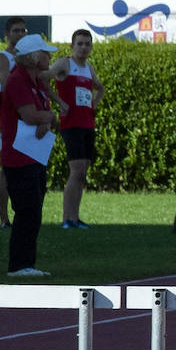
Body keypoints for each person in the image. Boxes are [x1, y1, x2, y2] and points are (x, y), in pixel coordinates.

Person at [0, 33, 59, 278]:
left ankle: (27, 264)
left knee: (34, 209)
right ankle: (19, 265)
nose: (49, 56)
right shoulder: (17, 81)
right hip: (20, 156)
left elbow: (41, 114)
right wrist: (50, 118)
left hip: (34, 154)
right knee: (27, 210)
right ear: (34, 57)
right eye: (45, 52)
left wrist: (47, 119)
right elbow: (31, 115)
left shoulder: (33, 81)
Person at [48, 28, 104, 229]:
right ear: (72, 46)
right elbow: (44, 79)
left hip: (87, 124)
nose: (83, 47)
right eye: (79, 43)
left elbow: (100, 88)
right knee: (77, 170)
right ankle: (66, 219)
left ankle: (75, 217)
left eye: (87, 44)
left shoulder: (89, 69)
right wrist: (59, 102)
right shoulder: (65, 63)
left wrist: (92, 105)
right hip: (71, 124)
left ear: (91, 47)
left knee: (82, 173)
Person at [0, 17, 29, 228]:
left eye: (23, 30)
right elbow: (8, 85)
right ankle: (4, 219)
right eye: (16, 31)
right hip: (11, 117)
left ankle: (24, 213)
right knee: (7, 168)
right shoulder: (2, 58)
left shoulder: (30, 57)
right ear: (7, 33)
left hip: (29, 115)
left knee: (28, 166)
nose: (21, 34)